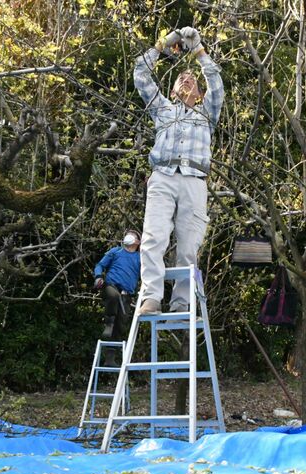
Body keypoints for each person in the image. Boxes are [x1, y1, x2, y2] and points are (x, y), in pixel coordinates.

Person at [133, 26, 224, 315]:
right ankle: (151, 297)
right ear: (172, 91)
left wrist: (198, 51)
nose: (186, 79)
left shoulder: (207, 114)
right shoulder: (162, 108)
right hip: (163, 175)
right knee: (153, 238)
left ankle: (181, 301)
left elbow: (217, 83)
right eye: (180, 78)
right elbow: (140, 74)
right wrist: (163, 44)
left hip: (194, 179)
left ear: (199, 93)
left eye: (192, 80)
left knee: (188, 246)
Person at [93, 229, 142, 343]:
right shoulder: (116, 251)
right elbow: (100, 265)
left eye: (132, 235)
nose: (128, 236)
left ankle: (111, 353)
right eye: (127, 234)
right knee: (113, 295)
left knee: (120, 326)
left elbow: (146, 274)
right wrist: (98, 276)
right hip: (111, 286)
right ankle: (109, 322)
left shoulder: (140, 257)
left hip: (126, 295)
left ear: (138, 242)